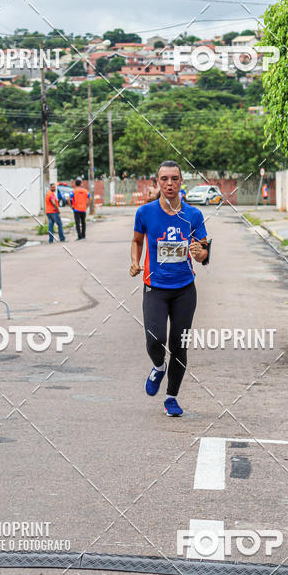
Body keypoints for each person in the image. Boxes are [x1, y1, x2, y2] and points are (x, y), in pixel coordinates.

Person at [130, 160, 210, 417]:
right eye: (164, 179)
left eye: (174, 178)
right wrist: (134, 261)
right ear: (157, 182)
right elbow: (136, 240)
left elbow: (204, 251)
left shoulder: (194, 216)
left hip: (184, 289)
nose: (169, 184)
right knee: (155, 339)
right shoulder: (145, 213)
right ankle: (158, 366)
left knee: (179, 345)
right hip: (155, 287)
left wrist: (200, 253)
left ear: (180, 181)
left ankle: (171, 398)